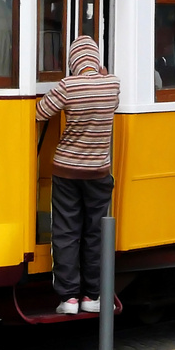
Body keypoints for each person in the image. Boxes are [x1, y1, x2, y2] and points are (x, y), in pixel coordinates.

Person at [36, 36, 120, 316]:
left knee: (66, 232)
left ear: (73, 61)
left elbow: (40, 112)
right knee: (96, 233)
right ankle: (93, 296)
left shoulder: (68, 86)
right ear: (96, 59)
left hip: (66, 170)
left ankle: (69, 298)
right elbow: (113, 103)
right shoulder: (112, 84)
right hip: (98, 171)